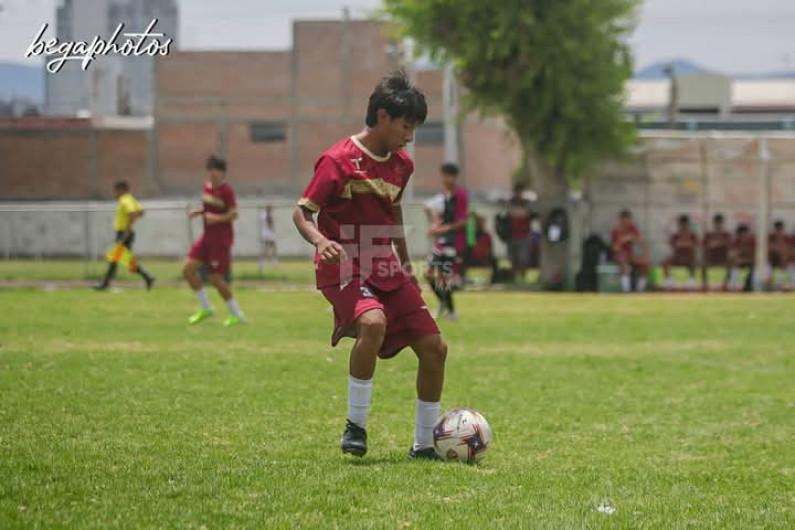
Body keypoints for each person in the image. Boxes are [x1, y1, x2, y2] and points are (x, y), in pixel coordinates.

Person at [292, 71, 448, 460]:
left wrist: (407, 264)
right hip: (344, 266)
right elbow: (301, 213)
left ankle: (424, 444)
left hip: (385, 267)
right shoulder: (338, 161)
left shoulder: (402, 166)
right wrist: (320, 240)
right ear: (382, 117)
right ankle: (355, 426)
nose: (409, 136)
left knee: (434, 348)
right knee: (374, 323)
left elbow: (391, 213)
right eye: (406, 126)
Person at [182, 155, 247, 326]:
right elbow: (208, 208)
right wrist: (199, 212)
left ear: (223, 173)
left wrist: (216, 218)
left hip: (221, 239)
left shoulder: (227, 191)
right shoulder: (206, 187)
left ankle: (237, 314)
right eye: (210, 170)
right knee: (188, 269)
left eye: (216, 170)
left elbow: (234, 214)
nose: (213, 173)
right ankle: (206, 308)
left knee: (215, 278)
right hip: (207, 237)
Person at [424, 163, 468, 320]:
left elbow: (463, 221)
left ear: (455, 177)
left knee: (443, 276)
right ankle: (444, 303)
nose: (445, 179)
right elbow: (429, 209)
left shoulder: (460, 194)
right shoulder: (444, 195)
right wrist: (434, 224)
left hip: (452, 242)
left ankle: (451, 311)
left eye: (448, 176)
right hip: (441, 241)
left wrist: (441, 229)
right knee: (428, 273)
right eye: (443, 175)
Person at [94, 180, 155, 291]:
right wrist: (131, 223)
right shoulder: (131, 199)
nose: (115, 194)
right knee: (122, 260)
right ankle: (147, 277)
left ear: (121, 190)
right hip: (126, 233)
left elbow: (132, 213)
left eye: (116, 191)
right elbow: (141, 212)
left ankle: (105, 284)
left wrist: (127, 228)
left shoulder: (125, 199)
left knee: (115, 259)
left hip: (124, 233)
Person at [611, 210, 650, 292]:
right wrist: (623, 239)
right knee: (624, 264)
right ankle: (626, 291)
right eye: (624, 220)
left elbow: (641, 241)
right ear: (621, 220)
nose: (627, 222)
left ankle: (640, 290)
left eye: (628, 219)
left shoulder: (632, 228)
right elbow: (615, 248)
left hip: (630, 254)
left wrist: (645, 253)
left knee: (646, 264)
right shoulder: (616, 231)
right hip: (619, 255)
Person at [506, 181, 534, 281]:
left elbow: (531, 215)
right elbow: (507, 217)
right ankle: (514, 278)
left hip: (524, 235)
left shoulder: (527, 203)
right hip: (512, 235)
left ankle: (523, 278)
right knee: (513, 259)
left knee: (523, 259)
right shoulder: (510, 203)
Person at [662, 214, 698, 289]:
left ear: (688, 225)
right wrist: (685, 244)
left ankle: (690, 281)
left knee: (693, 262)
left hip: (689, 257)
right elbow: (673, 246)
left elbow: (695, 245)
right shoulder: (676, 235)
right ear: (679, 225)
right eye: (681, 224)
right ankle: (669, 281)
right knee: (665, 262)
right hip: (677, 257)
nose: (683, 226)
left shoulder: (692, 235)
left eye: (685, 224)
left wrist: (683, 244)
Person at [701, 213, 732, 291]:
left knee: (731, 264)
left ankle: (725, 285)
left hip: (722, 258)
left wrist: (717, 244)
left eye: (720, 223)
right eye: (717, 223)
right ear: (714, 224)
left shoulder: (726, 235)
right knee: (703, 264)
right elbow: (705, 246)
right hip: (711, 258)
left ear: (722, 224)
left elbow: (729, 246)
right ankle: (705, 285)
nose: (718, 225)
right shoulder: (709, 235)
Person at [729, 224, 756, 291]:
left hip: (750, 262)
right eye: (741, 234)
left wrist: (745, 259)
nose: (743, 236)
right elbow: (734, 256)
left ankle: (750, 286)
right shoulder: (736, 241)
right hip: (739, 262)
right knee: (734, 266)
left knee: (755, 268)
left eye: (745, 234)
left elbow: (754, 257)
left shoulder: (752, 241)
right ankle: (733, 287)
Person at [767, 220, 794, 286]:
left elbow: (788, 252)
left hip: (785, 265)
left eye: (780, 229)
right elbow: (770, 249)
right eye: (777, 229)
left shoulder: (787, 239)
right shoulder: (771, 238)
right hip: (775, 264)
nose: (779, 231)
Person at [259, 204, 279, 274]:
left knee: (271, 248)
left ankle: (271, 261)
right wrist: (272, 227)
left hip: (265, 234)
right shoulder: (266, 215)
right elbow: (270, 224)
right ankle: (269, 262)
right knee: (268, 249)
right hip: (268, 234)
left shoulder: (262, 214)